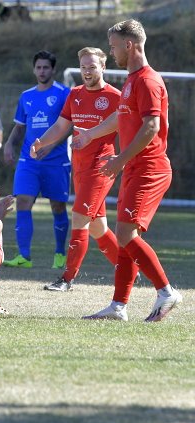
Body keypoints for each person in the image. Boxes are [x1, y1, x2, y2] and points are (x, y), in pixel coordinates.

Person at [73, 19, 182, 321]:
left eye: (113, 46)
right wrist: (91, 134)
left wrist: (120, 159)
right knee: (124, 235)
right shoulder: (132, 80)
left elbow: (151, 126)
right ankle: (118, 306)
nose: (112, 51)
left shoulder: (147, 81)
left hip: (149, 168)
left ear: (129, 45)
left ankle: (166, 292)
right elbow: (119, 119)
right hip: (134, 167)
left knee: (124, 232)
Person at [29, 47, 121, 292]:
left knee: (79, 217)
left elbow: (129, 128)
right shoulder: (75, 94)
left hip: (101, 167)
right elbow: (61, 126)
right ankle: (127, 267)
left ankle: (67, 279)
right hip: (79, 167)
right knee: (98, 227)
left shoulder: (115, 97)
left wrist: (122, 158)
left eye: (92, 67)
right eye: (83, 67)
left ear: (103, 67)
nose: (87, 72)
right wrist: (41, 142)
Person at [3, 50, 71, 270]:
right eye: (39, 67)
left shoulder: (64, 93)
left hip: (56, 160)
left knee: (57, 206)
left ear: (53, 70)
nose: (42, 71)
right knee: (23, 201)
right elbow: (20, 126)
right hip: (29, 159)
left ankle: (60, 254)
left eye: (46, 67)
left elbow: (70, 126)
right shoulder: (26, 96)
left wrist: (50, 145)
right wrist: (8, 144)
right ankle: (24, 256)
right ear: (34, 70)